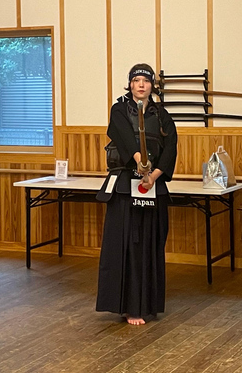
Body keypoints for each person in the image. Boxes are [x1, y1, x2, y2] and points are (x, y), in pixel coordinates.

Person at [95, 64, 178, 325]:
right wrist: (140, 161)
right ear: (130, 84)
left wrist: (153, 176)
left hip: (153, 185)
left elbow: (171, 148)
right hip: (124, 185)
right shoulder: (119, 109)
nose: (141, 85)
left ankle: (147, 304)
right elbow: (123, 137)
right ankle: (129, 306)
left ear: (153, 85)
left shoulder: (162, 114)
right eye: (136, 80)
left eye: (146, 81)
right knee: (127, 245)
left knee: (150, 244)